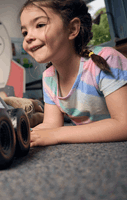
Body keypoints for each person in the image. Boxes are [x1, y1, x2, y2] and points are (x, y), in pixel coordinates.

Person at [20, 0, 127, 147]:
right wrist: (22, 135)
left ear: (72, 29)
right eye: (24, 32)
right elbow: (51, 124)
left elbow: (123, 124)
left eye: (40, 25)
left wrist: (58, 134)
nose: (28, 37)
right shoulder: (49, 77)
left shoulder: (106, 59)